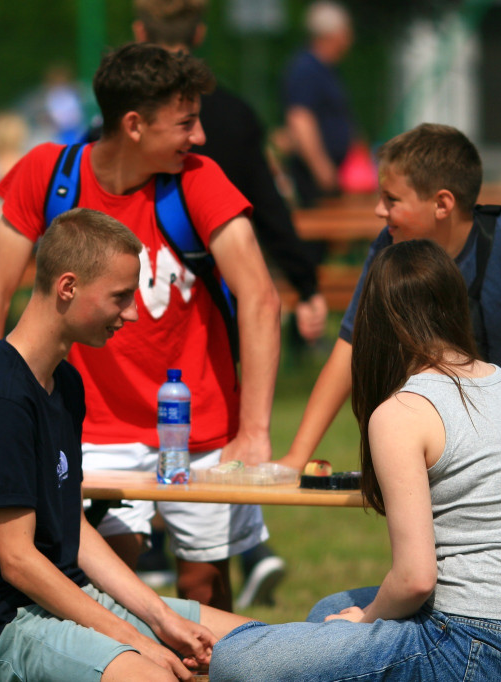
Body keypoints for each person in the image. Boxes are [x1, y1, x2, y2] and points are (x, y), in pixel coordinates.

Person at [282, 122, 501, 682]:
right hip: (455, 445)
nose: (379, 212)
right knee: (458, 589)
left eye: (392, 199)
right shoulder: (393, 251)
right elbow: (350, 349)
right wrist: (297, 455)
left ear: (442, 204)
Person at [0, 43, 282, 611]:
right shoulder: (50, 174)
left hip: (198, 424)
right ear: (134, 125)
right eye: (185, 123)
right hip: (90, 429)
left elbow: (259, 298)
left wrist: (253, 431)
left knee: (204, 589)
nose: (200, 136)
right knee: (102, 583)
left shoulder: (198, 181)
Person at [210, 239, 501, 681]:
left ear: (381, 323)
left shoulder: (402, 411)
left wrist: (363, 624)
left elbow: (415, 579)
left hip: (471, 642)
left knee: (235, 661)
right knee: (329, 611)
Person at [0, 208, 250, 681]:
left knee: (253, 646)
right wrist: (138, 642)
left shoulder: (65, 384)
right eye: (120, 297)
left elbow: (70, 529)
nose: (133, 313)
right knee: (159, 677)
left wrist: (162, 619)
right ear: (67, 287)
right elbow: (17, 561)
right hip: (6, 624)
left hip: (67, 597)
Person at [133, 0, 325, 610]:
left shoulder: (116, 122)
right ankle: (246, 552)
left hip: (155, 307)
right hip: (222, 307)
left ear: (139, 33)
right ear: (201, 32)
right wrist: (306, 280)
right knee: (215, 437)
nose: (195, 137)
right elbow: (270, 205)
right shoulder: (237, 114)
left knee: (180, 441)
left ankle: (184, 554)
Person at [281, 1, 356, 208]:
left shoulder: (324, 69)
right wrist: (321, 168)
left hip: (329, 171)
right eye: (345, 30)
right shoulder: (306, 69)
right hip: (314, 177)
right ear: (330, 34)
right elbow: (300, 118)